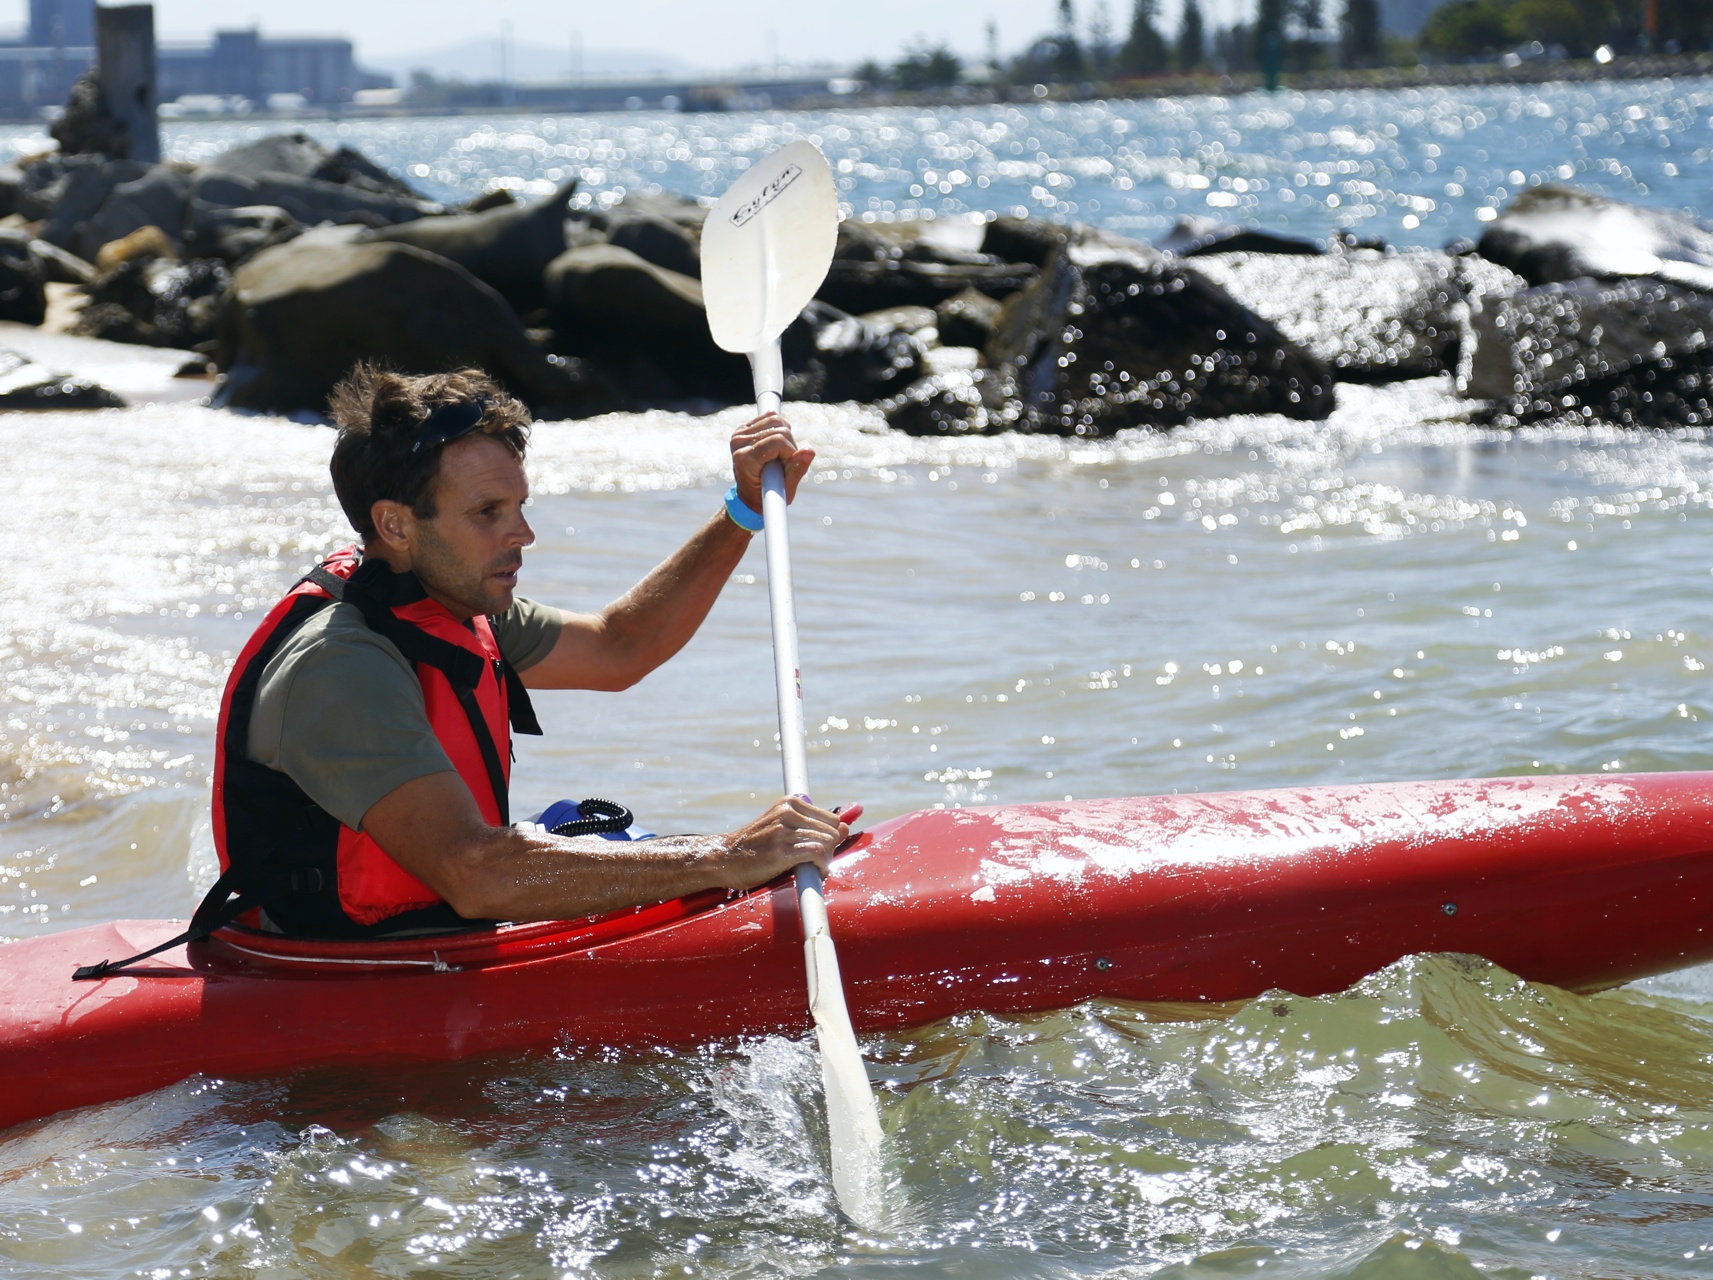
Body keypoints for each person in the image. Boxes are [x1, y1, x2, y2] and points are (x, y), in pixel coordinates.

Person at [207, 364, 849, 938]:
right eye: (488, 511)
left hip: (437, 929)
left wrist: (742, 509)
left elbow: (619, 648)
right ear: (395, 525)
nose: (524, 533)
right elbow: (476, 874)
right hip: (341, 967)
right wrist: (726, 858)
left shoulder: (444, 603)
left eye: (519, 504)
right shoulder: (341, 666)